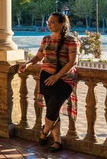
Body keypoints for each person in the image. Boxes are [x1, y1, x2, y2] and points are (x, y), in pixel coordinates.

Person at [18, 12, 79, 153]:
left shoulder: (71, 40)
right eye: (48, 22)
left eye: (52, 22)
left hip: (64, 79)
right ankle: (57, 141)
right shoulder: (46, 39)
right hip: (46, 77)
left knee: (52, 108)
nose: (49, 24)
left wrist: (57, 76)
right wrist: (27, 64)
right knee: (53, 110)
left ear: (62, 24)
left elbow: (73, 61)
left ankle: (44, 132)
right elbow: (39, 56)